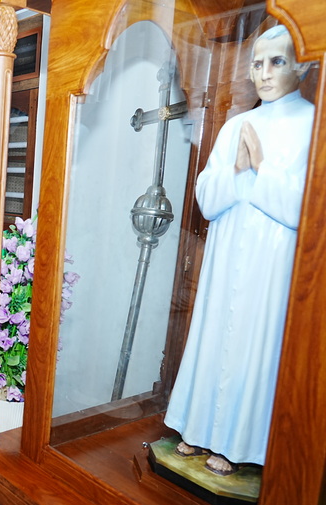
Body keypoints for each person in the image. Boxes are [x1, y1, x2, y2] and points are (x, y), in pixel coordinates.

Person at [164, 25, 313, 476]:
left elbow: (305, 208)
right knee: (214, 338)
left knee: (254, 348)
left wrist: (262, 168)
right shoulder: (234, 126)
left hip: (273, 262)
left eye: (277, 62)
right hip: (226, 256)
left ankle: (237, 443)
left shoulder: (314, 125)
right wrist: (237, 170)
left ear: (302, 66)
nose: (264, 73)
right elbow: (206, 198)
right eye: (257, 63)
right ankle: (196, 427)